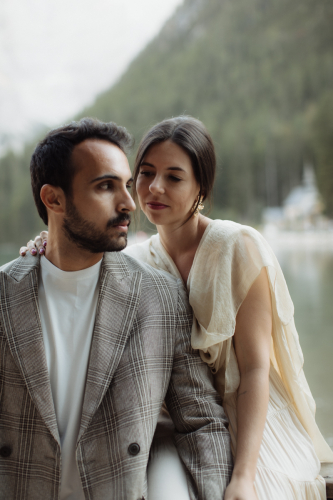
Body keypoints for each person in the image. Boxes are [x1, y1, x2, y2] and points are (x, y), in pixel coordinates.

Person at [22, 116, 333, 500]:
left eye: (174, 177)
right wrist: (44, 243)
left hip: (251, 422)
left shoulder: (237, 247)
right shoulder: (136, 258)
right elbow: (73, 254)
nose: (155, 187)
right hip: (173, 422)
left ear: (200, 187)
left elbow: (254, 370)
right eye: (146, 173)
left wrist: (245, 476)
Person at [1, 118, 233, 500]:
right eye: (105, 186)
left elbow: (201, 422)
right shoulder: (4, 295)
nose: (129, 203)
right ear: (54, 199)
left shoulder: (160, 295)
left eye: (126, 185)